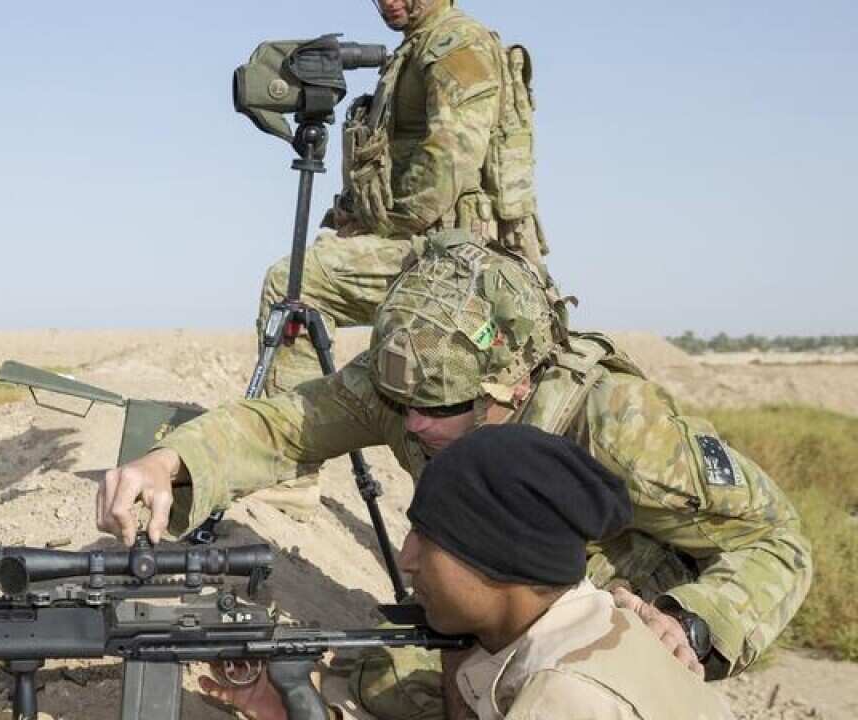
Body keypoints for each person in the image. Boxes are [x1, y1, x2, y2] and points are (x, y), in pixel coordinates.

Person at [95, 231, 812, 718]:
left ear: (513, 386)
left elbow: (778, 540)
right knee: (383, 677)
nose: (410, 427)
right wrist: (170, 460)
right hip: (491, 621)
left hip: (610, 642)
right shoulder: (409, 386)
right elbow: (282, 425)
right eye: (398, 405)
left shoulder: (617, 424)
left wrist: (694, 622)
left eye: (435, 412)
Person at [200, 425, 735, 720]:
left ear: (499, 561)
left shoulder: (564, 693)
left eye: (428, 540)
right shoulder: (575, 628)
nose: (406, 559)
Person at [259, 0, 544, 398]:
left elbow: (448, 163)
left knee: (293, 282)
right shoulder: (420, 46)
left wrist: (379, 225)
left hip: (453, 253)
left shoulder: (456, 46)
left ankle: (287, 439)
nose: (389, 2)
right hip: (432, 242)